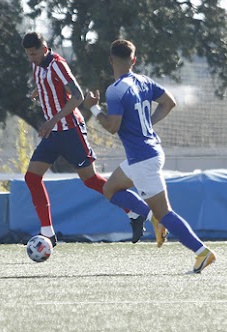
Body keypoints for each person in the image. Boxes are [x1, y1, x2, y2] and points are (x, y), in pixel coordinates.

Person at [84, 39, 216, 273]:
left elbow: (112, 127)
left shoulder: (115, 90)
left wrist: (94, 108)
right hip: (149, 152)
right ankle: (149, 215)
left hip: (142, 159)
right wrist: (149, 124)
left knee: (164, 212)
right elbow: (169, 103)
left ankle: (201, 252)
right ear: (134, 60)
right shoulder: (144, 81)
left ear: (110, 60)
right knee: (109, 189)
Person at [21, 31, 145, 245]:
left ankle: (134, 212)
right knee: (32, 178)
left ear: (44, 48)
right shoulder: (37, 65)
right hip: (54, 134)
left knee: (91, 180)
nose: (31, 58)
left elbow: (77, 96)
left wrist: (52, 120)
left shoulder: (57, 64)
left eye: (34, 53)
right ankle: (48, 232)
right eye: (28, 55)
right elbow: (50, 85)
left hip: (70, 130)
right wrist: (38, 90)